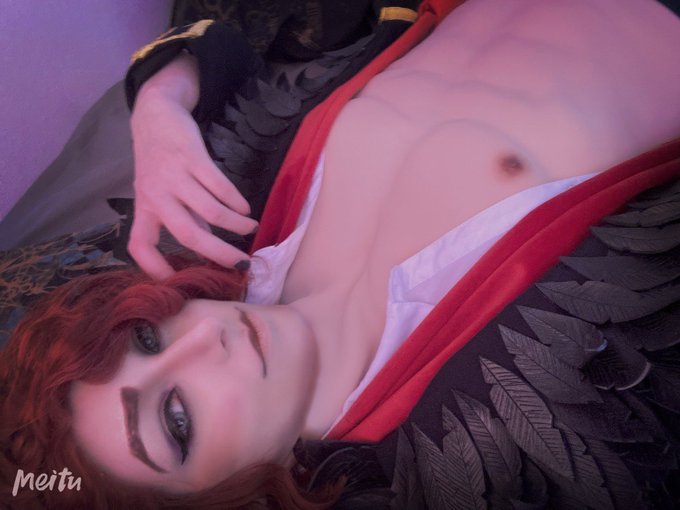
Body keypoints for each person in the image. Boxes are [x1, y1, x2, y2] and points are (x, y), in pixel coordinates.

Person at [2, 0, 680, 508]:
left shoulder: (223, 229)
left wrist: (158, 106)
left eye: (147, 338)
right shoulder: (489, 444)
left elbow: (236, 36)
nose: (202, 336)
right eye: (177, 420)